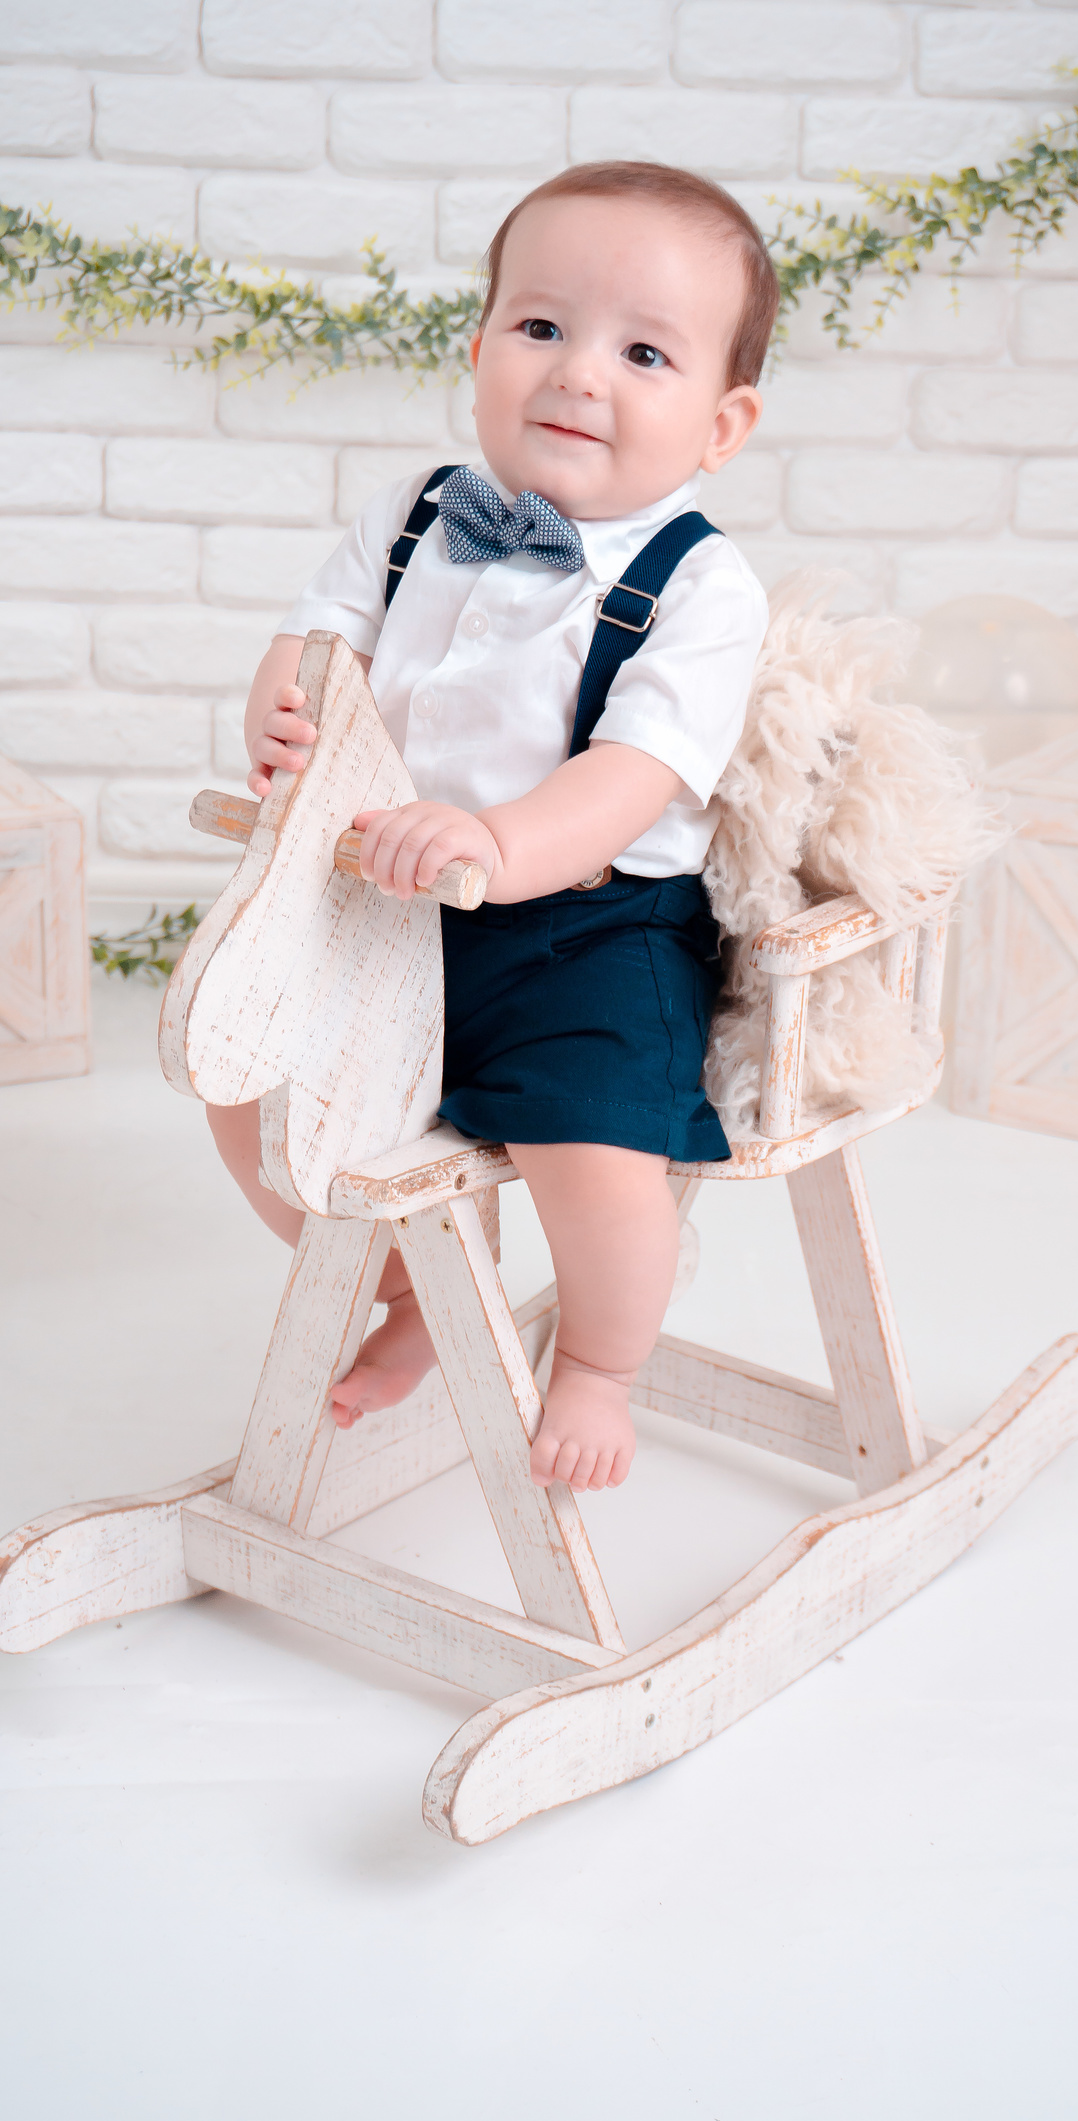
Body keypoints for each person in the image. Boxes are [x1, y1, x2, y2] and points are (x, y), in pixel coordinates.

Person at [207, 160, 777, 1495]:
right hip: (385, 901)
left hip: (587, 930)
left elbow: (633, 774)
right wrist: (283, 711)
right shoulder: (416, 511)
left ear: (722, 423)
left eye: (644, 353)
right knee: (248, 1087)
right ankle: (414, 1289)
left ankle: (598, 1361)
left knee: (596, 1148)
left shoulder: (703, 587)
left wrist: (500, 846)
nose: (580, 373)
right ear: (478, 351)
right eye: (541, 326)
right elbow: (321, 638)